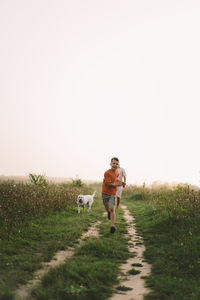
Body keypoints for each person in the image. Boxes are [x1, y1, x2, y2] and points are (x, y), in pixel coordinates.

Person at [102, 157, 126, 234]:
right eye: (113, 163)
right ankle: (108, 212)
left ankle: (112, 226)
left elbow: (116, 180)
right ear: (110, 164)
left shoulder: (117, 173)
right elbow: (108, 184)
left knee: (112, 209)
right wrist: (117, 185)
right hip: (105, 193)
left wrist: (121, 182)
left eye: (116, 163)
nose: (115, 165)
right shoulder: (107, 173)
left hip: (112, 194)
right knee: (107, 207)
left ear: (118, 165)